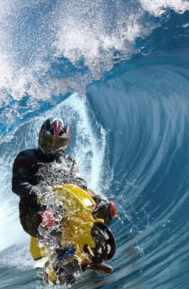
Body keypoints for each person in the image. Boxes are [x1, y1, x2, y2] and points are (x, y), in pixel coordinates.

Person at [12, 117, 115, 278]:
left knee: (104, 204)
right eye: (49, 141)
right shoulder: (26, 157)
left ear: (65, 143)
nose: (53, 146)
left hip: (63, 212)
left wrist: (97, 203)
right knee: (51, 213)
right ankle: (57, 260)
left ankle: (92, 250)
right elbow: (17, 185)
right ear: (41, 138)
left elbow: (80, 185)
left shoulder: (69, 163)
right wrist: (40, 192)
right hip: (33, 215)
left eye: (57, 142)